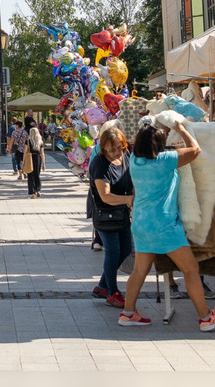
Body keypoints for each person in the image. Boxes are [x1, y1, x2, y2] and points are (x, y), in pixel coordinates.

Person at [119, 120, 215, 332]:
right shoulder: (165, 160)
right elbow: (195, 150)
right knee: (190, 270)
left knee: (139, 272)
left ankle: (127, 313)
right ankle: (206, 317)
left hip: (141, 223)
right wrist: (182, 130)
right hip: (164, 225)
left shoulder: (135, 160)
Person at [90, 126, 134, 308]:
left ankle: (102, 286)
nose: (117, 152)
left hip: (121, 213)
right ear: (104, 148)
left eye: (120, 148)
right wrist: (131, 200)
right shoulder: (100, 164)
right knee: (113, 251)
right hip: (105, 215)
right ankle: (112, 292)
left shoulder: (125, 158)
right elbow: (105, 196)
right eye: (112, 149)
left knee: (125, 250)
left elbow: (131, 181)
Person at [25, 119, 44, 199]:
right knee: (37, 174)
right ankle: (38, 190)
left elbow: (25, 151)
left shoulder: (28, 141)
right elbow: (42, 153)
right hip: (38, 157)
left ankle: (33, 193)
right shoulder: (40, 141)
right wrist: (44, 163)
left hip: (30, 157)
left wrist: (23, 161)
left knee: (30, 175)